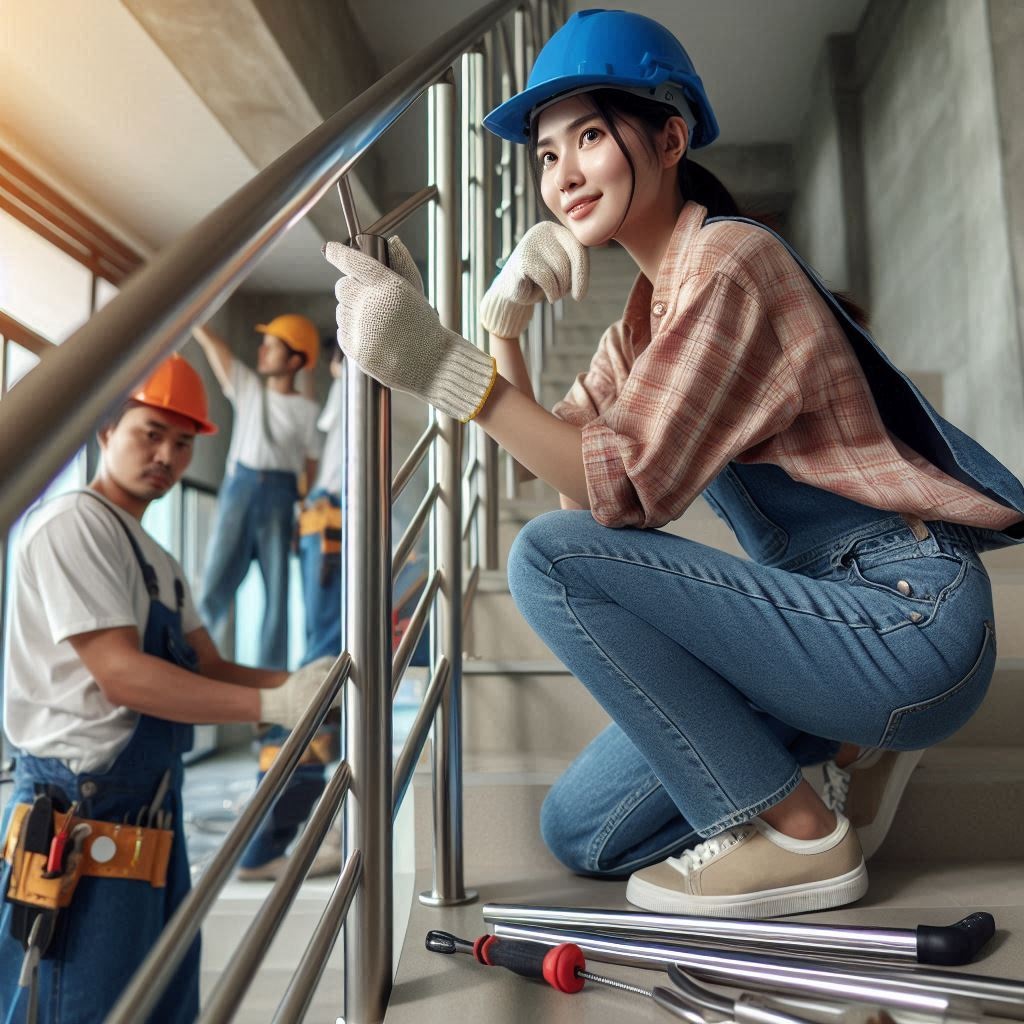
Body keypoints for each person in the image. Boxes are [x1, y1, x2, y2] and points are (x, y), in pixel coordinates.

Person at [322, 8, 1024, 919]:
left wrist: (442, 369)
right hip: (821, 622)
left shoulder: (734, 262)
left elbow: (610, 494)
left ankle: (801, 835)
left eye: (588, 138)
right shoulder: (645, 318)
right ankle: (851, 748)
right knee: (584, 831)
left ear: (669, 137)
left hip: (906, 613)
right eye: (544, 155)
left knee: (546, 558)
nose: (564, 173)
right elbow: (564, 465)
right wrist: (502, 322)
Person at [0, 354, 335, 1022]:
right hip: (80, 813)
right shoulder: (73, 523)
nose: (167, 455)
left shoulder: (157, 557)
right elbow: (122, 675)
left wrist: (305, 682)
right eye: (149, 432)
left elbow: (205, 664)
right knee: (85, 1006)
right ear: (105, 430)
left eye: (183, 443)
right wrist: (274, 706)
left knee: (163, 998)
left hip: (154, 808)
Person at [237, 347, 345, 881]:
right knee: (322, 680)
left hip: (331, 526)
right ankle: (266, 839)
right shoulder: (355, 381)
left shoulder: (346, 391)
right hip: (334, 526)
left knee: (330, 675)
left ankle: (301, 827)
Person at [193, 314, 323, 670]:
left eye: (273, 346)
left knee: (277, 599)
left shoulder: (308, 411)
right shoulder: (248, 388)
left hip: (283, 499)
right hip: (240, 489)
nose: (262, 351)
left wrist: (303, 514)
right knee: (214, 585)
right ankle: (191, 665)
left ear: (295, 360)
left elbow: (311, 466)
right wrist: (192, 316)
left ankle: (272, 688)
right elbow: (215, 348)